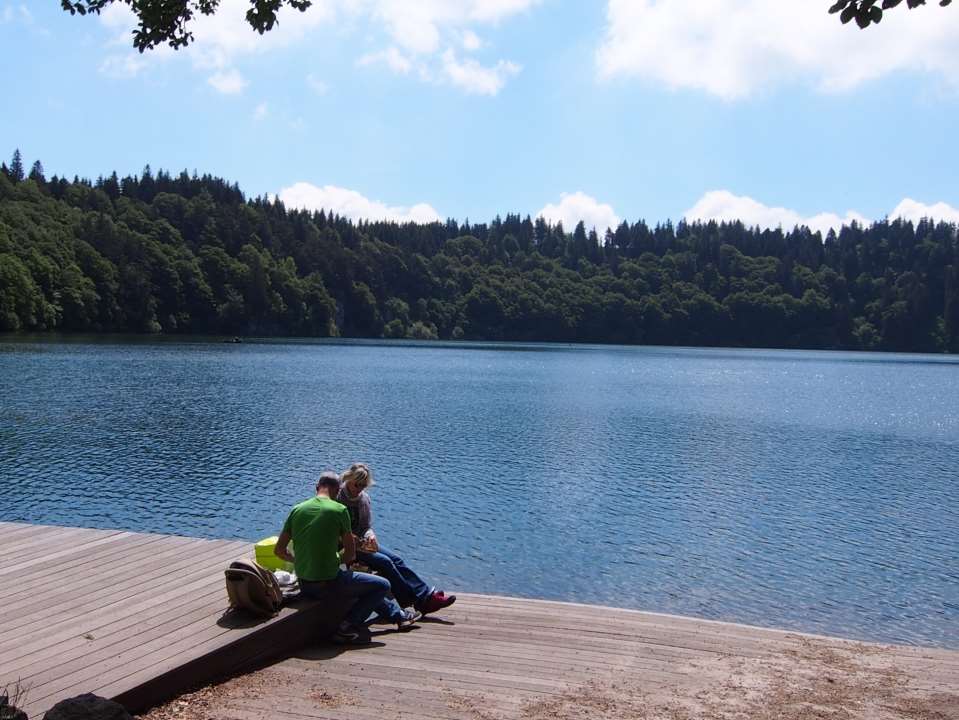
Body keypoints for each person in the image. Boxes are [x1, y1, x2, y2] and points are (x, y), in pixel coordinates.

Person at [275, 470, 420, 644]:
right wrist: (334, 561)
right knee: (382, 585)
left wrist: (300, 561)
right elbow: (350, 555)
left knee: (362, 585)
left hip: (305, 584)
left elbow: (279, 551)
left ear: (316, 487)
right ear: (337, 490)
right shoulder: (340, 510)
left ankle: (399, 616)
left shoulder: (297, 510)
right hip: (328, 584)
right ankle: (347, 626)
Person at [337, 463, 456, 615]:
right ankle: (420, 601)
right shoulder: (338, 497)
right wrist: (351, 540)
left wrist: (370, 536)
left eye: (363, 485)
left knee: (396, 559)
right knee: (385, 562)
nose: (360, 488)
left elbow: (366, 526)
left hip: (362, 543)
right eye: (357, 484)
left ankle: (424, 595)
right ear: (349, 479)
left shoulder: (363, 499)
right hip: (345, 545)